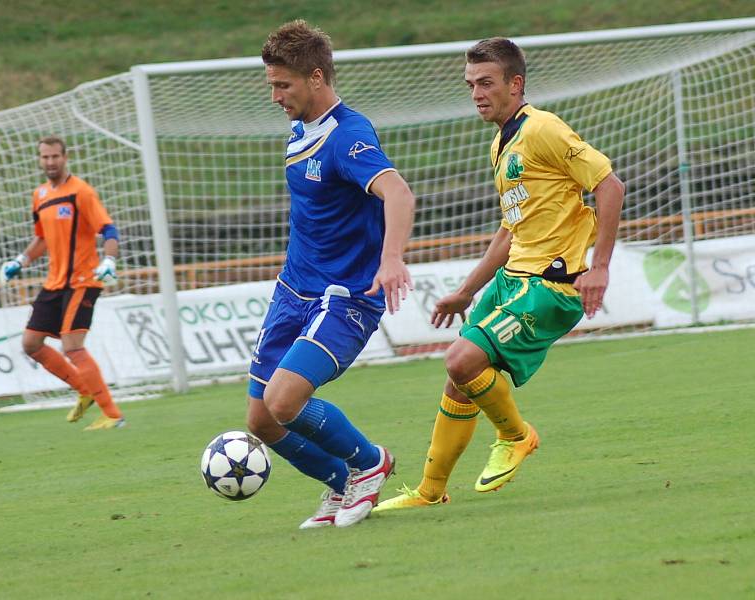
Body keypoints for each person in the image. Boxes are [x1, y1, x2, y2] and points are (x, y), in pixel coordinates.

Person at [375, 37, 625, 512]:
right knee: (459, 380)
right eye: (470, 84)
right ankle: (430, 492)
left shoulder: (544, 129)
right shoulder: (501, 142)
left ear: (516, 83)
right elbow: (510, 231)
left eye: (486, 83)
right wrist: (465, 292)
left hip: (550, 286)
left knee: (461, 361)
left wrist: (602, 266)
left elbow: (609, 185)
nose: (476, 93)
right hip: (513, 278)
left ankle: (516, 435)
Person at [246, 20, 416, 529]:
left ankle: (370, 463)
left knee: (285, 401)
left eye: (283, 85)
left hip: (343, 297)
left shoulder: (349, 136)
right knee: (261, 420)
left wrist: (391, 258)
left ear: (316, 77)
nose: (274, 95)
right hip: (293, 290)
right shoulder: (300, 129)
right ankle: (341, 485)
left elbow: (400, 193)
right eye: (272, 84)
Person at [1, 136, 125, 431]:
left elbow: (108, 229)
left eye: (55, 156)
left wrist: (109, 261)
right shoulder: (40, 195)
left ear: (65, 157)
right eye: (45, 157)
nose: (50, 162)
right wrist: (21, 260)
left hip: (83, 280)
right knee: (31, 343)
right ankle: (84, 390)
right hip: (54, 282)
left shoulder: (81, 192)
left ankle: (113, 414)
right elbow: (42, 237)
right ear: (39, 159)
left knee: (73, 346)